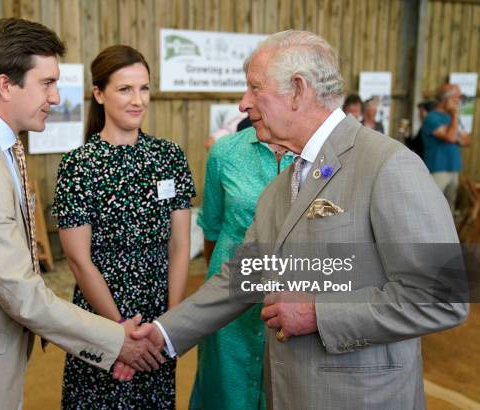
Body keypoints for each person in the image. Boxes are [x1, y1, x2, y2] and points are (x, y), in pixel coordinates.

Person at [130, 30, 468, 409]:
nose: (243, 104)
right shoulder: (280, 188)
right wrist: (161, 334)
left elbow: (441, 297)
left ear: (297, 90)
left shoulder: (389, 164)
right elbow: (240, 278)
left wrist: (319, 314)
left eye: (254, 89)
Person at [0, 19, 162, 409]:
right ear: (6, 85)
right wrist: (117, 341)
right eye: (47, 83)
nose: (55, 97)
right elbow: (20, 292)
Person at [53, 45, 196, 409]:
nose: (138, 100)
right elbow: (78, 259)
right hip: (101, 317)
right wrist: (118, 336)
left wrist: (166, 329)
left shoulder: (170, 157)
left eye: (144, 88)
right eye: (125, 89)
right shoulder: (78, 166)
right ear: (99, 94)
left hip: (157, 317)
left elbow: (180, 246)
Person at [191, 126, 293, 410]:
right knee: (225, 390)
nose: (245, 102)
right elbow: (212, 227)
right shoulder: (226, 152)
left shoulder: (316, 154)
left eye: (256, 89)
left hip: (291, 302)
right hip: (229, 300)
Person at [420, 84, 471, 213]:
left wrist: (455, 135)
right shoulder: (432, 118)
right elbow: (451, 138)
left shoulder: (451, 119)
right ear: (446, 99)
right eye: (456, 98)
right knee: (432, 207)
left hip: (453, 168)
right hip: (437, 168)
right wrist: (454, 116)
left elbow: (467, 140)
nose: (458, 102)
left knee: (450, 209)